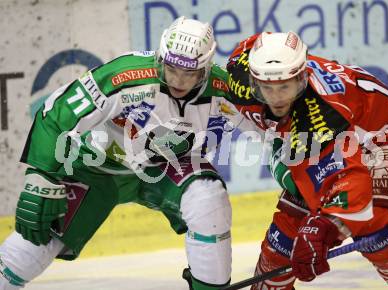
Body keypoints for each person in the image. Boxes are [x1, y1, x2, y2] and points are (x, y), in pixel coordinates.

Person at [0, 16, 259, 290]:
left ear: (205, 69)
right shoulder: (124, 76)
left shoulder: (224, 90)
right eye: (171, 68)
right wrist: (41, 173)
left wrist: (303, 186)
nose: (179, 80)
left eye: (190, 73)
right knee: (31, 246)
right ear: (160, 57)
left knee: (208, 200)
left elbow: (275, 131)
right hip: (95, 166)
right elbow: (57, 114)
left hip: (166, 167)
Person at [226, 32, 388, 289]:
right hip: (317, 143)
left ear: (302, 78)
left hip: (383, 135)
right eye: (267, 89)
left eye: (285, 87)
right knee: (283, 241)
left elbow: (350, 183)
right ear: (254, 80)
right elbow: (255, 45)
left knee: (375, 229)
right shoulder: (240, 71)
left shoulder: (320, 117)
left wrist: (323, 229)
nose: (276, 98)